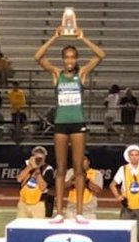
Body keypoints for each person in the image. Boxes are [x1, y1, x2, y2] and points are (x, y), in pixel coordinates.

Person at [35, 21, 106, 224]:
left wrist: (82, 37)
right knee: (60, 167)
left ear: (76, 59)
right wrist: (55, 37)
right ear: (62, 59)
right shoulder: (56, 74)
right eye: (66, 57)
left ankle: (79, 212)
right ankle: (58, 211)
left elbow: (101, 55)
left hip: (78, 124)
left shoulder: (81, 74)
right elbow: (38, 57)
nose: (69, 60)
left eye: (72, 57)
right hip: (61, 124)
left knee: (78, 168)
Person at [65, 155, 102, 220]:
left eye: (84, 160)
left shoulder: (96, 173)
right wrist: (72, 180)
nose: (81, 162)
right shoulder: (71, 172)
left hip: (89, 211)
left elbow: (98, 190)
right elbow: (64, 187)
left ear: (88, 162)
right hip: (72, 209)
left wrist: (86, 181)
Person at [16, 147, 50, 219]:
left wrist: (37, 170)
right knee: (21, 226)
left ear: (45, 157)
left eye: (41, 156)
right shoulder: (26, 165)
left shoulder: (48, 169)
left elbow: (43, 187)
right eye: (36, 156)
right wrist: (30, 166)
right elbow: (19, 179)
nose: (38, 159)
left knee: (37, 227)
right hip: (23, 202)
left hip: (38, 203)